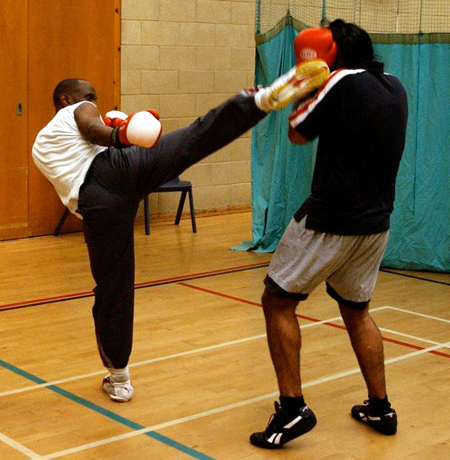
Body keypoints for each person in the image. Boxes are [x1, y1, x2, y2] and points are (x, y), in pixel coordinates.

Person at [32, 61, 329, 403]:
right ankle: (260, 100)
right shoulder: (75, 111)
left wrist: (122, 135)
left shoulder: (40, 146)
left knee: (113, 289)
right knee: (194, 138)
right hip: (115, 172)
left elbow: (79, 163)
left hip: (96, 206)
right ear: (66, 98)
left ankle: (119, 379)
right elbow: (90, 126)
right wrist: (118, 135)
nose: (94, 102)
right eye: (89, 96)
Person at [250, 19, 408, 449]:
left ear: (331, 53)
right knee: (357, 311)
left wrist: (306, 82)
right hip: (375, 223)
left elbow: (297, 133)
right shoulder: (395, 86)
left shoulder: (340, 81)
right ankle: (380, 407)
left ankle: (292, 409)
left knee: (277, 301)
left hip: (331, 220)